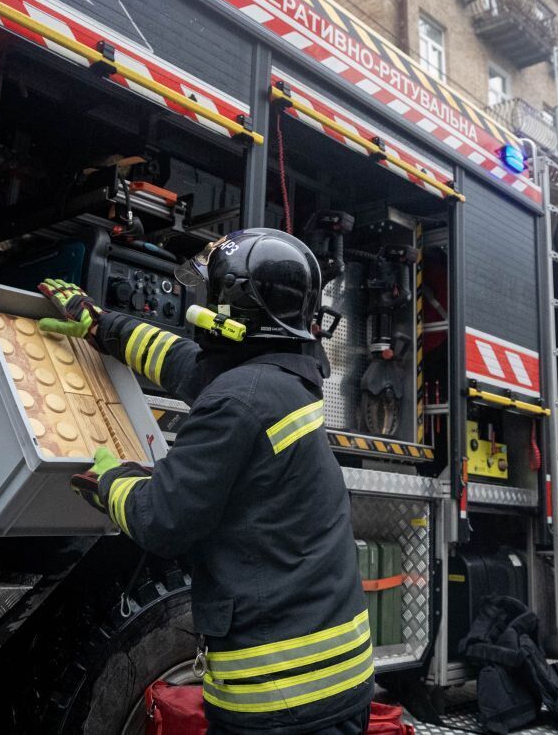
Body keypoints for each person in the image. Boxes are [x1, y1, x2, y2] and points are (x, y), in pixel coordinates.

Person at [38, 228, 373, 734]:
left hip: (280, 701)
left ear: (234, 308)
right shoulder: (283, 377)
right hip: (334, 682)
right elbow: (181, 362)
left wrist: (109, 481)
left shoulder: (238, 400)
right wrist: (102, 326)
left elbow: (161, 520)